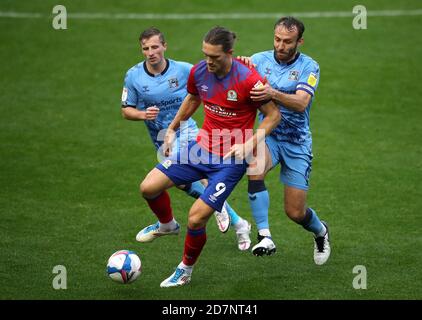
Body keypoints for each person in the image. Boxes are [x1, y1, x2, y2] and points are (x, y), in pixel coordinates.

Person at [137, 26, 281, 287]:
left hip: (231, 160)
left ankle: (185, 270)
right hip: (200, 148)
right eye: (205, 55)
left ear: (230, 53)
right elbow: (192, 100)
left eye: (214, 57)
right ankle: (167, 225)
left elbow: (273, 115)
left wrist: (250, 143)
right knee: (148, 187)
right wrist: (172, 129)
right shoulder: (199, 71)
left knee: (196, 216)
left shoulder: (248, 79)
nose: (208, 61)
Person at [121, 27, 251, 250]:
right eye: (145, 48)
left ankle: (215, 208)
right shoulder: (133, 76)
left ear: (164, 46)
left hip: (187, 131)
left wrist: (240, 63)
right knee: (181, 183)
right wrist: (143, 115)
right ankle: (238, 223)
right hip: (161, 137)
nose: (151, 52)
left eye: (154, 47)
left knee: (201, 174)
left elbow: (215, 73)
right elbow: (126, 110)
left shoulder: (184, 70)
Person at [240, 17, 331, 265]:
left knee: (295, 212)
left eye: (287, 41)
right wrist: (241, 64)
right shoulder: (258, 60)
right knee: (254, 168)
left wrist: (272, 93)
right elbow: (234, 76)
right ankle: (265, 236)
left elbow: (301, 103)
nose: (280, 45)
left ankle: (321, 231)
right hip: (270, 135)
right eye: (277, 39)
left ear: (299, 41)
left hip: (297, 143)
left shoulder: (309, 66)